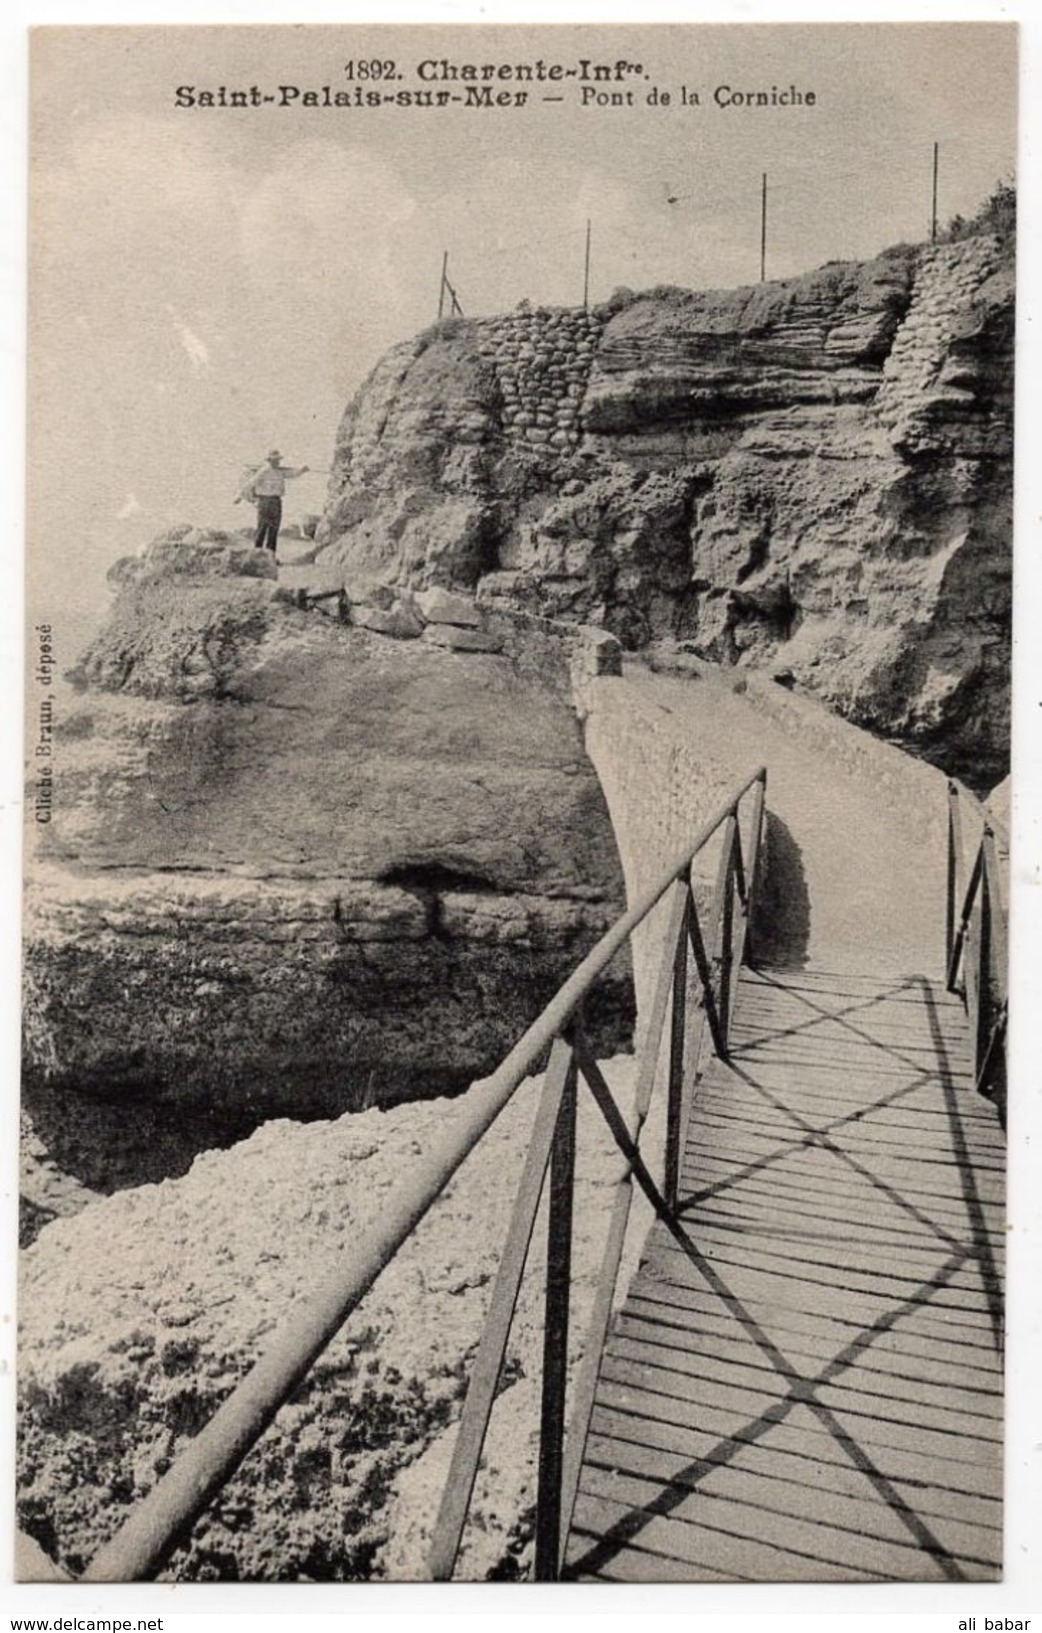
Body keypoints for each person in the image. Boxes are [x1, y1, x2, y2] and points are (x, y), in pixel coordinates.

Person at [236, 450, 309, 556]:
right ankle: (256, 555)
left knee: (274, 529)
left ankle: (270, 556)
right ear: (270, 460)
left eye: (278, 460)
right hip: (264, 502)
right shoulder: (263, 471)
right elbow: (250, 484)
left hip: (276, 502)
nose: (277, 462)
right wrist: (240, 496)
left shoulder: (280, 471)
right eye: (275, 460)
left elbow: (292, 474)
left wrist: (302, 470)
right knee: (262, 528)